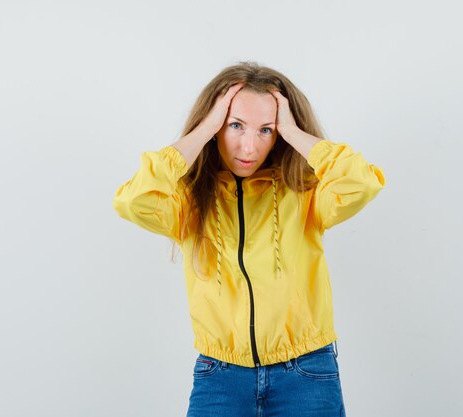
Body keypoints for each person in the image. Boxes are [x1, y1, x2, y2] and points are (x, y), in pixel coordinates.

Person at [113, 61, 386, 417]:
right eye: (235, 126)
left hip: (305, 373)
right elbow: (133, 200)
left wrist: (291, 129)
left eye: (265, 130)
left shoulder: (304, 194)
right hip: (221, 377)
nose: (249, 146)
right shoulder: (189, 201)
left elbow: (361, 182)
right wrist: (205, 127)